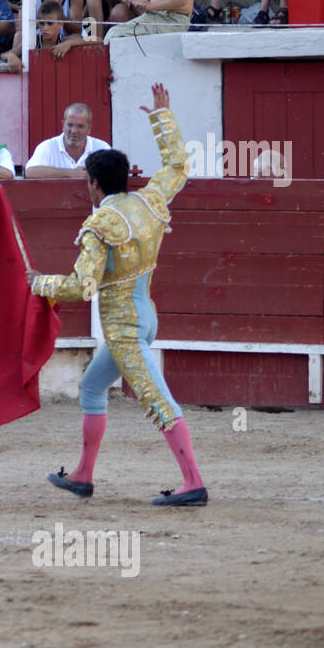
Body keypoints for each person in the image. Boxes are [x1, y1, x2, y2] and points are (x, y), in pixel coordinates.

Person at [30, 83, 208, 507]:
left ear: (92, 185)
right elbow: (178, 165)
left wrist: (38, 283)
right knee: (92, 387)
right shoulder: (149, 201)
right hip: (145, 316)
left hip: (125, 329)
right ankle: (83, 475)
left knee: (158, 400)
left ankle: (193, 483)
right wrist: (161, 117)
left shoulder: (101, 225)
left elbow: (82, 286)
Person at [24, 103, 111, 178]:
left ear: (89, 128)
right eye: (70, 125)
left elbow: (116, 174)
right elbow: (30, 172)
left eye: (80, 126)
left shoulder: (102, 148)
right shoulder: (47, 147)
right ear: (63, 125)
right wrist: (72, 173)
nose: (73, 131)